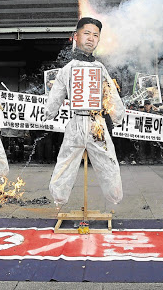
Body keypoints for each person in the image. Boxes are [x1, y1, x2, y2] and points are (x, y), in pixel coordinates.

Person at [44, 17, 125, 207]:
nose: (91, 39)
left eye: (95, 35)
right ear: (76, 36)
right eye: (86, 33)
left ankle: (114, 196)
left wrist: (117, 115)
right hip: (76, 123)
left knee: (108, 162)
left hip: (97, 123)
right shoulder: (68, 69)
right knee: (65, 163)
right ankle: (59, 197)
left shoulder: (100, 68)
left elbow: (111, 93)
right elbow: (56, 94)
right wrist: (50, 111)